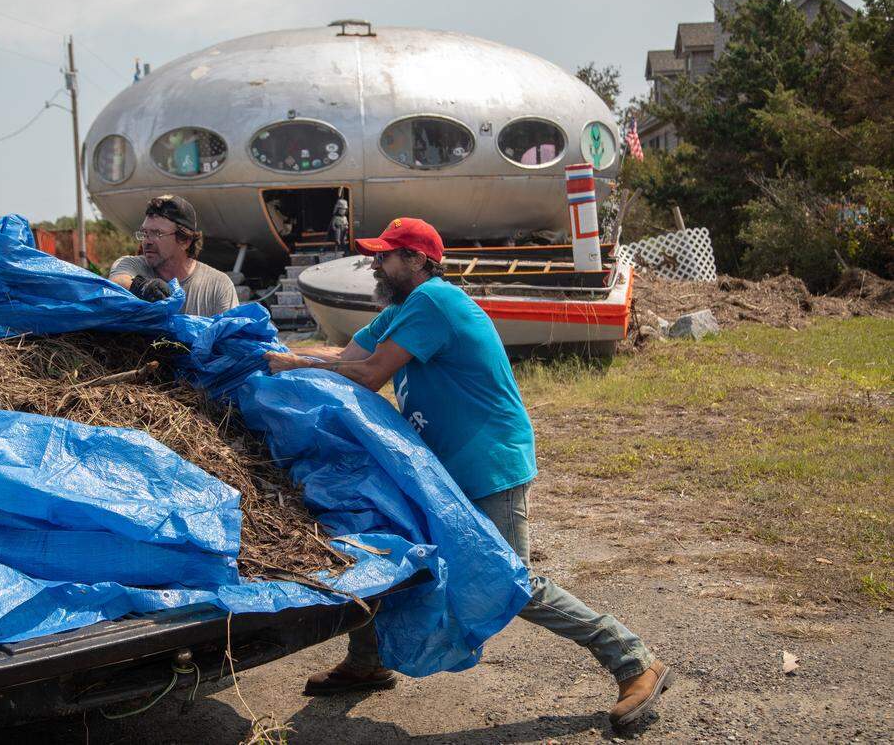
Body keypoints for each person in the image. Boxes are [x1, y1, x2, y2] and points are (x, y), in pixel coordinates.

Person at [264, 218, 672, 729]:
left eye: (387, 255)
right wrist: (272, 356)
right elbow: (344, 355)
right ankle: (365, 663)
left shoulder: (434, 301)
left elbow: (368, 376)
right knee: (386, 547)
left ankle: (634, 660)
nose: (376, 263)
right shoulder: (402, 309)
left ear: (416, 261)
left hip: (488, 461)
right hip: (446, 465)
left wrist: (294, 368)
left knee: (509, 580)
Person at [109, 194, 238, 317]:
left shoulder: (218, 286)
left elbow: (232, 334)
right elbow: (115, 283)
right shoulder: (132, 265)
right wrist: (142, 287)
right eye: (145, 233)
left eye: (157, 233)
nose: (147, 241)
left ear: (185, 241)